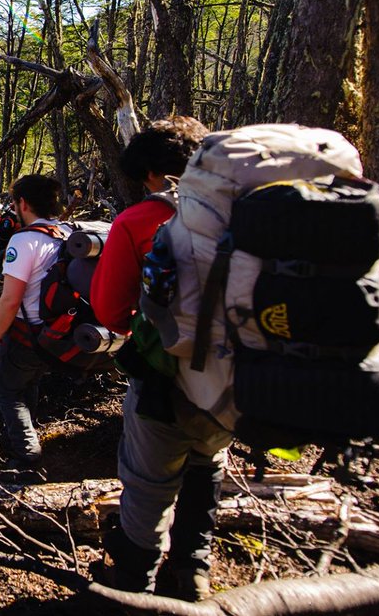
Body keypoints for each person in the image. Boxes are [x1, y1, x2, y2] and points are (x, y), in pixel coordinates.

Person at [89, 117, 228, 602]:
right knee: (206, 461)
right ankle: (193, 572)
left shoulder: (138, 221)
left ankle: (134, 586)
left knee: (148, 481)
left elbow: (110, 311)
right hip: (237, 381)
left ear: (149, 172)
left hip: (168, 381)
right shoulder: (244, 211)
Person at [0, 174, 66, 467]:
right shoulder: (66, 234)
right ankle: (25, 434)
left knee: (5, 389)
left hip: (24, 334)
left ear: (23, 203)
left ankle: (27, 456)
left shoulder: (24, 240)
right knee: (28, 383)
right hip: (57, 332)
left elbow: (10, 299)